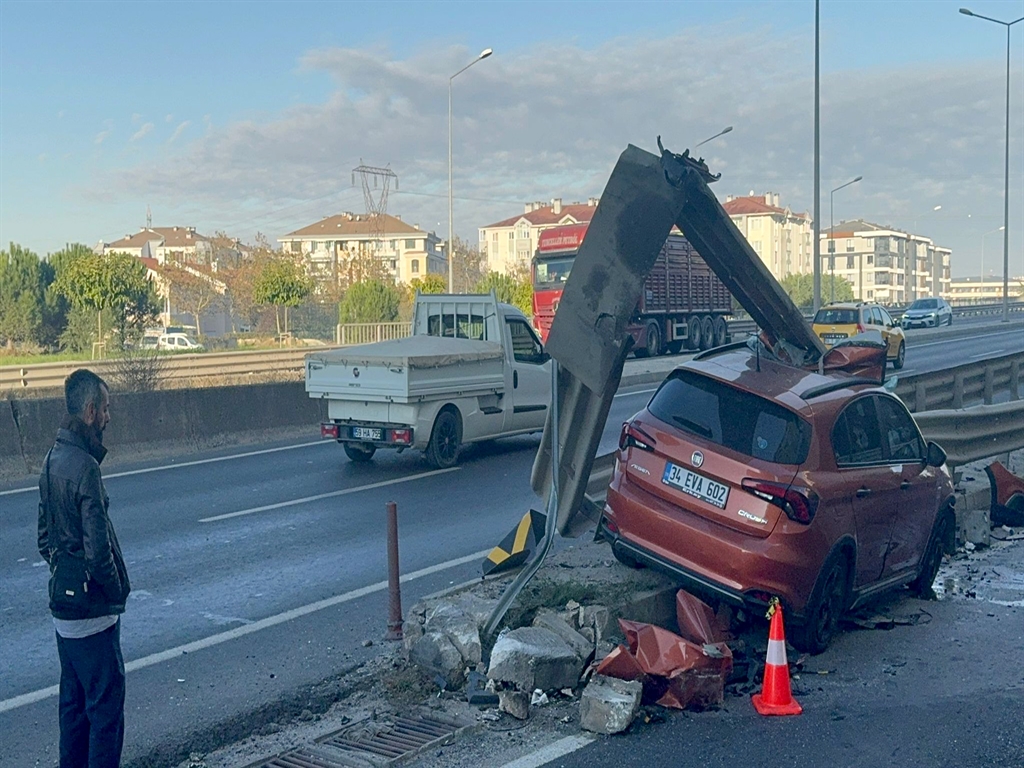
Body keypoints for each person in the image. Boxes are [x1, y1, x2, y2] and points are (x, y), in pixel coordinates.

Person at [38, 369, 130, 768]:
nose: (109, 417)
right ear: (91, 411)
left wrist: (66, 576)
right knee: (105, 716)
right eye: (106, 409)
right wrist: (113, 592)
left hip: (64, 613)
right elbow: (98, 551)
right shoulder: (86, 468)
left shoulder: (51, 458)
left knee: (73, 713)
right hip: (93, 616)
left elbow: (44, 539)